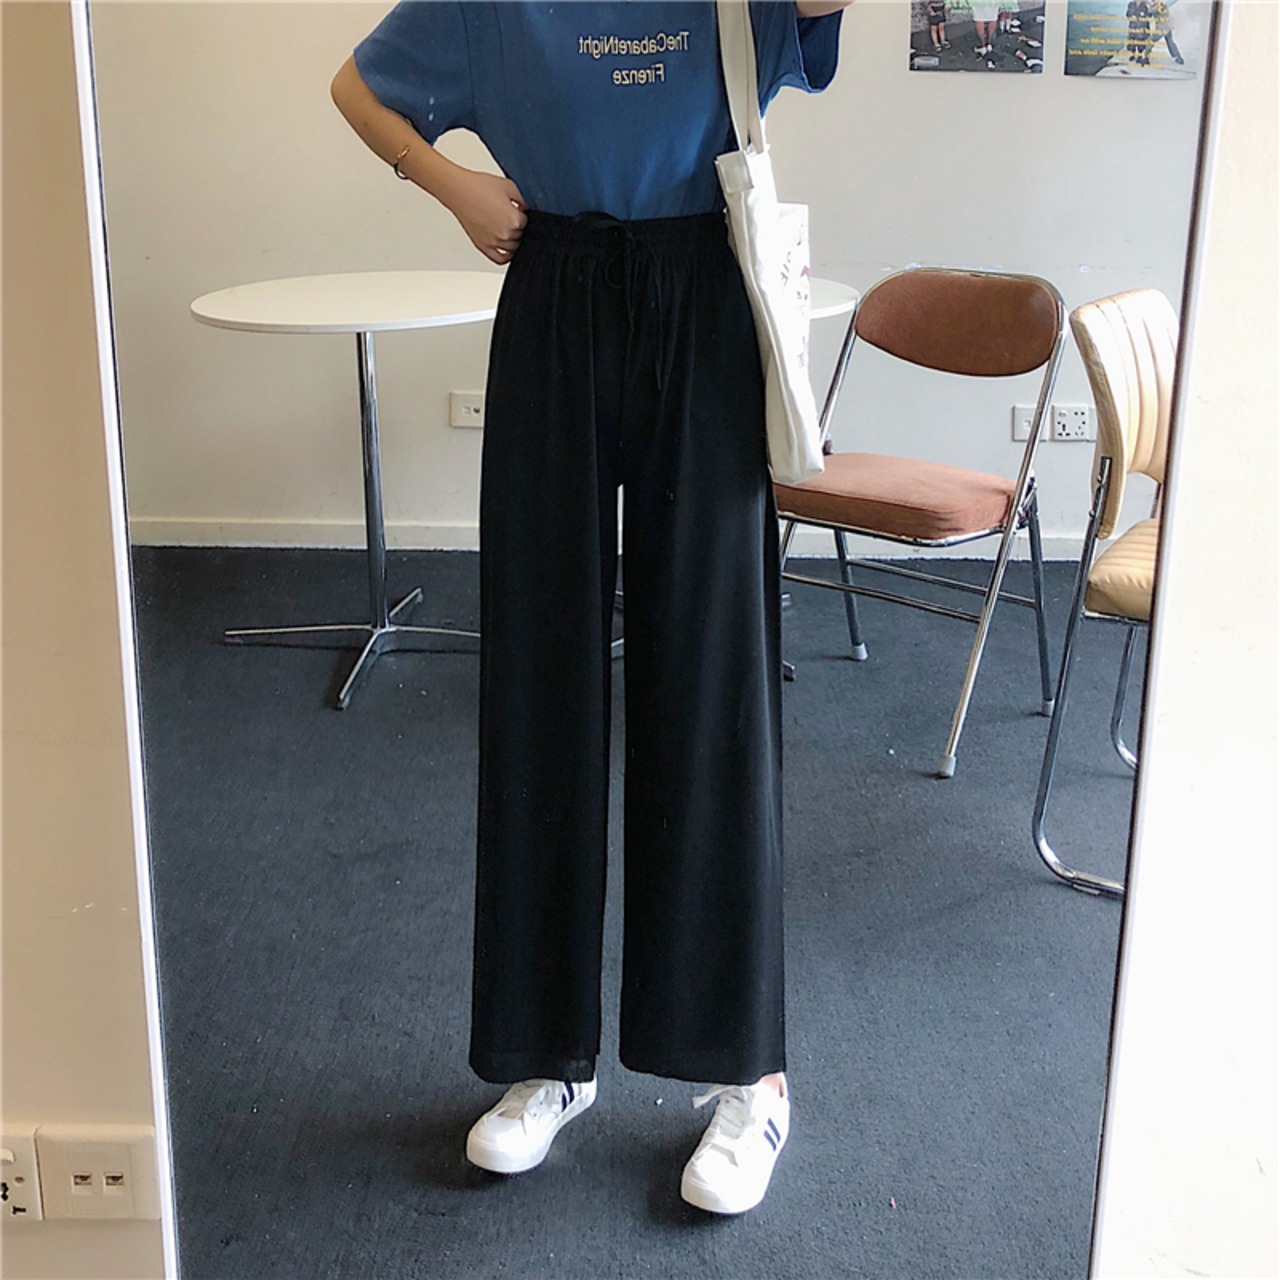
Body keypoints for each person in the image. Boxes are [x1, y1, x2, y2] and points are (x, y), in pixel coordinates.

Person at [331, 0, 848, 1216]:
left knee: (709, 683)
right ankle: (544, 1054)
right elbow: (357, 86)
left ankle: (748, 1073)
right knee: (538, 673)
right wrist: (449, 184)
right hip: (553, 295)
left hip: (701, 292)